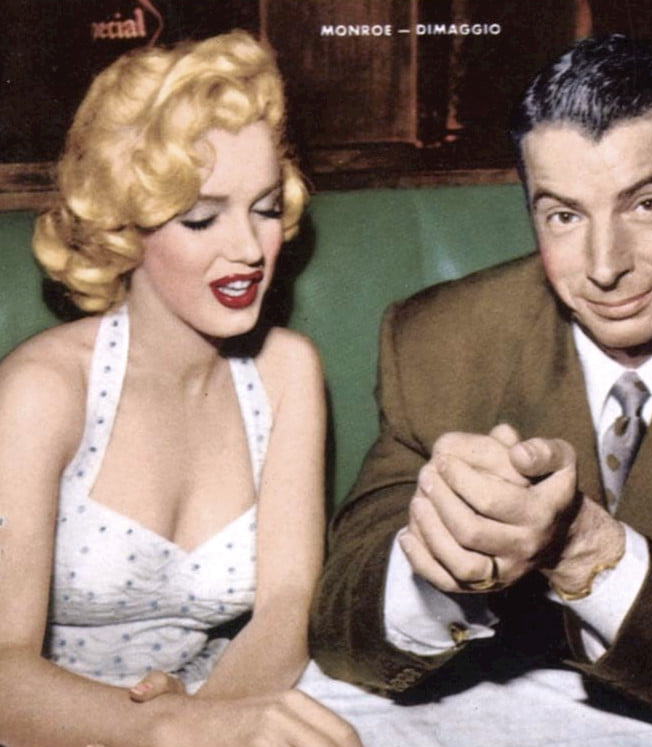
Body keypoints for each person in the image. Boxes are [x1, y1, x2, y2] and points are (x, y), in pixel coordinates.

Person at [310, 34, 652, 746]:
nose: (605, 267)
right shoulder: (439, 340)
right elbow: (339, 627)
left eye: (646, 204)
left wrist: (586, 550)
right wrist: (440, 563)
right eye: (564, 215)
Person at [0, 31, 360, 747]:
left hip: (221, 702)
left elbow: (287, 607)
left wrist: (213, 721)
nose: (248, 249)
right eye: (201, 217)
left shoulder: (287, 371)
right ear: (125, 225)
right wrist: (171, 726)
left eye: (265, 208)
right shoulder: (42, 390)